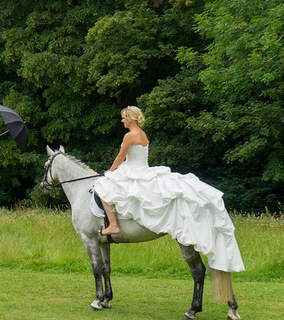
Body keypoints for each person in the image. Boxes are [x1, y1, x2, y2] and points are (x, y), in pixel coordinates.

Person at [93, 106, 244, 272]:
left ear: (130, 118)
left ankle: (113, 224)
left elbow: (121, 157)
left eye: (123, 117)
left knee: (102, 186)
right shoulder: (143, 134)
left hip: (133, 170)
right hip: (143, 169)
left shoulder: (129, 135)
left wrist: (110, 171)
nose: (122, 120)